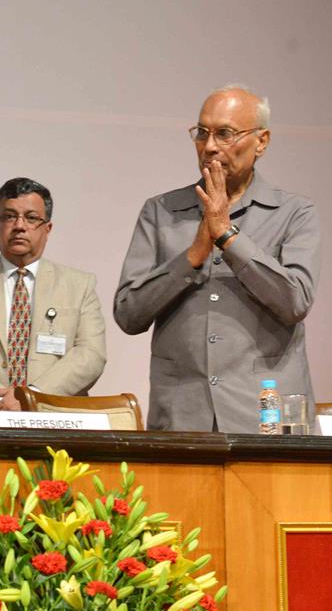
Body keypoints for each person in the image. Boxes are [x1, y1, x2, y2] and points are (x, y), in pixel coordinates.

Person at [114, 85, 320, 432]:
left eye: (225, 134)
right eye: (202, 133)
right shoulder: (161, 211)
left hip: (263, 417)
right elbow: (128, 314)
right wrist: (193, 255)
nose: (209, 146)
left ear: (262, 141)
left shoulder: (294, 213)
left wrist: (227, 237)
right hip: (182, 415)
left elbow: (294, 301)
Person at [0, 177, 106, 421]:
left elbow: (90, 354)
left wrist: (30, 397)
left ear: (48, 228)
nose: (19, 226)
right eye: (9, 216)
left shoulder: (79, 285)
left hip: (56, 419)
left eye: (31, 218)